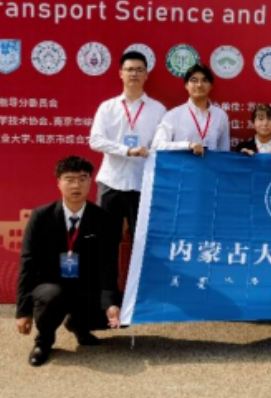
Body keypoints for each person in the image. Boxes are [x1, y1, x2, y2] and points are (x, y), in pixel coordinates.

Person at [16, 156, 122, 367]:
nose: (76, 185)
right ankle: (44, 341)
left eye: (83, 179)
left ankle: (79, 325)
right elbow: (28, 263)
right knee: (52, 295)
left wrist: (111, 303)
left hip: (86, 284)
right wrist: (23, 311)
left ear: (90, 182)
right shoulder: (41, 216)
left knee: (125, 309)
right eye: (70, 179)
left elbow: (107, 264)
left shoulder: (103, 219)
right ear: (59, 183)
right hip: (50, 284)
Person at [89, 51, 167, 247]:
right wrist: (127, 150)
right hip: (111, 182)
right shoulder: (107, 107)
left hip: (142, 183)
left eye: (139, 70)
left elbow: (162, 145)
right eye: (129, 69)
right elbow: (95, 141)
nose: (134, 74)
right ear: (121, 73)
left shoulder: (158, 110)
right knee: (105, 242)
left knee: (143, 244)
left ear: (146, 75)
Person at [151, 64, 230, 154]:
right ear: (186, 86)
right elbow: (157, 145)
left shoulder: (220, 116)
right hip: (182, 163)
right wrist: (187, 145)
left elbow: (224, 152)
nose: (199, 85)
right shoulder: (173, 115)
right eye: (194, 80)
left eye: (204, 80)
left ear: (210, 86)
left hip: (212, 163)